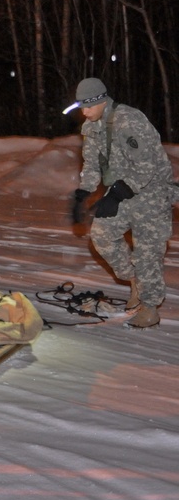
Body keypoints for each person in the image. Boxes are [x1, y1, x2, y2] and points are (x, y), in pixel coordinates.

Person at [65, 77, 174, 328]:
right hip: (122, 191)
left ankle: (149, 307)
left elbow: (148, 166)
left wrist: (115, 195)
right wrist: (83, 193)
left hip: (152, 194)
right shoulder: (91, 127)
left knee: (147, 252)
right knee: (102, 234)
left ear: (101, 101)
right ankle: (135, 280)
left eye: (87, 106)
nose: (84, 111)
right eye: (80, 106)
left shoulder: (129, 120)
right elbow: (92, 164)